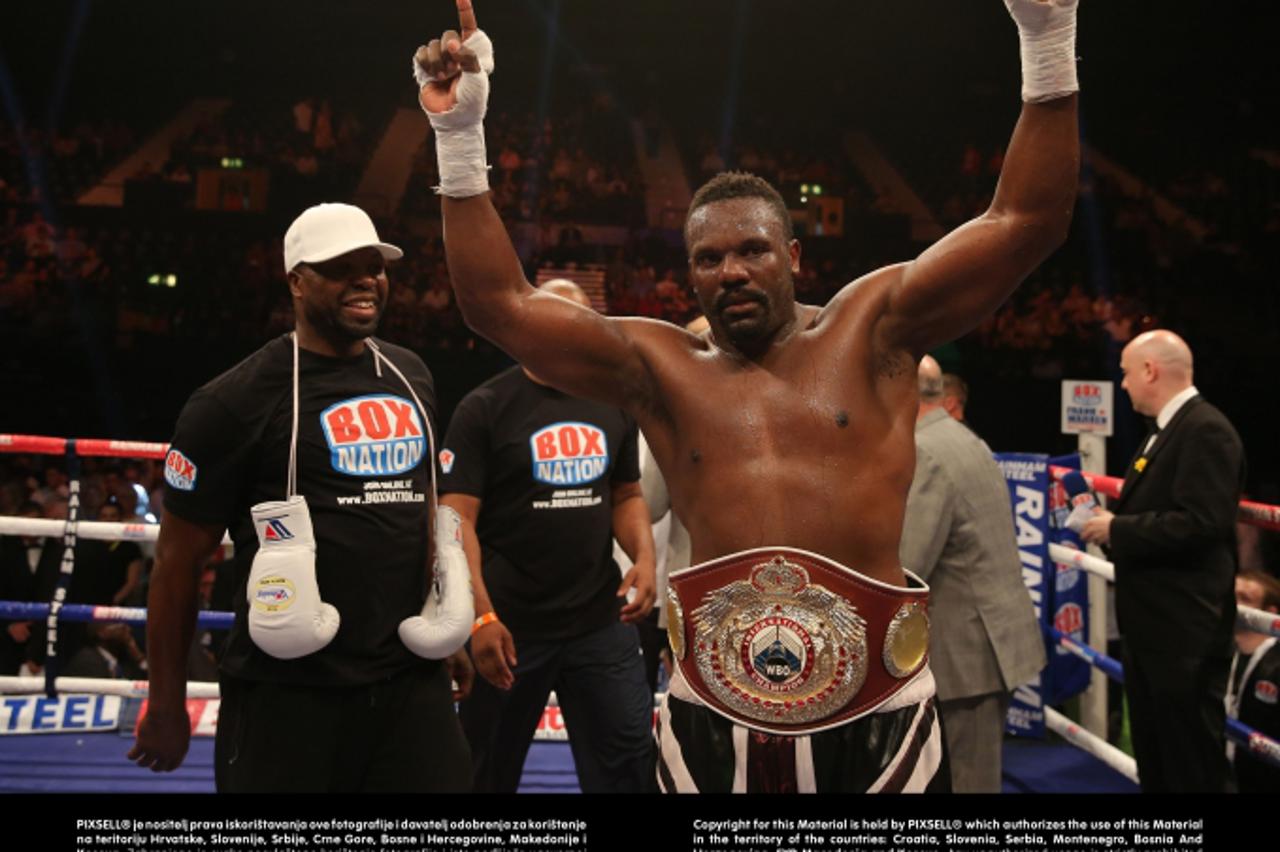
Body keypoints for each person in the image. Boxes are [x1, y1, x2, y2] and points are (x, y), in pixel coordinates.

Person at [416, 0, 1079, 792]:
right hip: (712, 714)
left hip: (881, 711)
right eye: (709, 258)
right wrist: (459, 139)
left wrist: (1048, 37)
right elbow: (500, 306)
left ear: (793, 254)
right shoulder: (659, 368)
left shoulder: (875, 331)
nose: (730, 270)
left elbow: (1025, 220)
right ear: (687, 273)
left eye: (752, 250)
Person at [128, 202, 473, 792]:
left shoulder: (412, 376)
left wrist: (444, 627)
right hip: (286, 699)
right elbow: (177, 563)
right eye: (341, 267)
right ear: (296, 281)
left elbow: (418, 515)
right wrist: (166, 702)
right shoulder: (231, 403)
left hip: (408, 685)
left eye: (375, 266)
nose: (366, 279)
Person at [441, 278, 658, 793]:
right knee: (485, 771)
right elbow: (454, 520)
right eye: (554, 317)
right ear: (530, 326)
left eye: (578, 319)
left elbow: (626, 494)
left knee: (628, 766)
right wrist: (480, 614)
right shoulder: (485, 408)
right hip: (509, 625)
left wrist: (645, 559)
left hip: (598, 621)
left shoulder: (614, 403)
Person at [1081, 329, 1245, 793]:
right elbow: (1159, 513)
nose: (1125, 384)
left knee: (1192, 767)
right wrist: (1111, 526)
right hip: (1153, 629)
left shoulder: (1205, 429)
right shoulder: (1167, 431)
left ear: (1150, 370)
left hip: (1184, 635)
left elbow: (1202, 522)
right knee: (1158, 765)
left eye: (1127, 373)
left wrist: (1118, 529)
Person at [899, 355, 1045, 792]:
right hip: (982, 642)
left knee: (969, 784)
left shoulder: (926, 450)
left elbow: (909, 564)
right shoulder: (957, 435)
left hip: (968, 655)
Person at [1226, 570, 1280, 792]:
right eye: (1232, 596)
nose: (1235, 606)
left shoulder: (1276, 667)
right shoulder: (1220, 650)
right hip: (1229, 773)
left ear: (1269, 614)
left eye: (1245, 599)